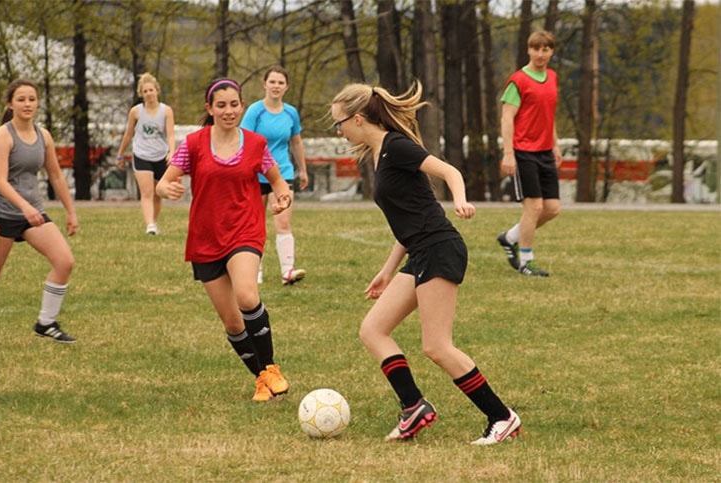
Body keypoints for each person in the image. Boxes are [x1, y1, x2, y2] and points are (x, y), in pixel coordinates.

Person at [330, 82, 521, 445]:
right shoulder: (378, 155)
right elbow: (407, 221)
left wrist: (460, 201)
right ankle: (413, 407)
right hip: (420, 251)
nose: (339, 131)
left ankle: (502, 416)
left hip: (439, 248)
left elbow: (450, 172)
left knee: (437, 346)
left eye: (339, 123)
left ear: (357, 119)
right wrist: (387, 270)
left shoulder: (397, 147)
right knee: (373, 329)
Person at [155, 78, 292, 402]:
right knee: (232, 323)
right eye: (221, 105)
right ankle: (261, 380)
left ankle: (271, 367)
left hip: (245, 230)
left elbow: (278, 183)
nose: (228, 111)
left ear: (242, 106)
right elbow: (164, 183)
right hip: (205, 239)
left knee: (247, 296)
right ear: (209, 109)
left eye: (234, 104)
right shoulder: (194, 143)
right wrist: (166, 189)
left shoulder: (256, 144)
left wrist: (282, 197)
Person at [0, 79, 79, 343]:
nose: (27, 104)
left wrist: (71, 212)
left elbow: (55, 176)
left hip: (32, 213)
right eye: (21, 99)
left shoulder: (44, 136)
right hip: (2, 212)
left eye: (31, 99)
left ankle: (46, 323)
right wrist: (24, 207)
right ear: (10, 104)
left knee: (64, 261)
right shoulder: (3, 135)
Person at [497, 30, 563, 277]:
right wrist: (508, 153)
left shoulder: (553, 77)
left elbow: (549, 115)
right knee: (534, 207)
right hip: (524, 152)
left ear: (551, 52)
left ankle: (510, 237)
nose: (540, 54)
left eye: (545, 49)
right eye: (536, 49)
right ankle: (526, 261)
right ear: (529, 50)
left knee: (552, 208)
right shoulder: (519, 81)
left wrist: (555, 144)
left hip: (545, 152)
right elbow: (507, 117)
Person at [240, 65, 308, 285]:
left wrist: (303, 169)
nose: (276, 86)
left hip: (283, 174)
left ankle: (287, 272)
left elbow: (296, 142)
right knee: (254, 224)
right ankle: (254, 272)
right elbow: (243, 140)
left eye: (280, 82)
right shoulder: (254, 111)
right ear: (265, 84)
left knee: (283, 222)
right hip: (256, 174)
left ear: (286, 87)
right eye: (272, 82)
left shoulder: (291, 113)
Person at [116, 72, 175, 235]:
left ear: (157, 91)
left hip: (161, 154)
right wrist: (120, 154)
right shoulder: (136, 112)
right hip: (142, 155)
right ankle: (149, 225)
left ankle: (154, 222)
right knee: (147, 192)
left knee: (158, 192)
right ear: (141, 94)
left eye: (151, 90)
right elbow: (128, 135)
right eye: (145, 91)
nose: (149, 94)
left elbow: (170, 134)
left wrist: (172, 152)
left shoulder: (166, 111)